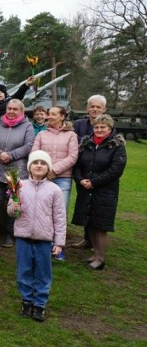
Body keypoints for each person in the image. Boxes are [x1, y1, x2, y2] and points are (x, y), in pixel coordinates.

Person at [8, 150, 66, 322]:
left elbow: (60, 217)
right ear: (29, 167)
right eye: (35, 163)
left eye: (42, 163)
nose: (39, 166)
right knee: (24, 271)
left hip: (44, 239)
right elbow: (10, 210)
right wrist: (14, 208)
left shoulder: (54, 190)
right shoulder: (19, 186)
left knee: (42, 273)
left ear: (47, 167)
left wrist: (59, 242)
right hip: (23, 237)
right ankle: (27, 301)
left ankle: (40, 304)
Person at [72, 114, 127, 271]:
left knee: (101, 225)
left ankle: (100, 258)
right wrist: (80, 179)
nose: (99, 129)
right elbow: (77, 165)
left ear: (110, 129)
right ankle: (94, 254)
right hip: (85, 189)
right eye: (96, 127)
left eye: (103, 127)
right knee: (90, 222)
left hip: (105, 191)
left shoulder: (116, 146)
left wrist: (94, 182)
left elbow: (116, 169)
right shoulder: (86, 143)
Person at [31, 106, 78, 261]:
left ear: (62, 116)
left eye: (53, 114)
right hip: (43, 178)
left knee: (60, 213)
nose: (49, 116)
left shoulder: (71, 135)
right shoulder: (42, 134)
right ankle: (43, 244)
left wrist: (54, 170)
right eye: (48, 114)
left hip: (62, 178)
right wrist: (44, 171)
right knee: (43, 212)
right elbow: (34, 153)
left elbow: (72, 156)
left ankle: (58, 246)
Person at [0, 99, 35, 248]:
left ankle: (10, 233)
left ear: (21, 111)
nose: (12, 111)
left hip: (16, 170)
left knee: (14, 202)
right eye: (9, 108)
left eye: (15, 109)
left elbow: (29, 145)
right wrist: (0, 153)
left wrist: (11, 155)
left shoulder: (27, 126)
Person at [71, 94, 107, 250]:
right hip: (81, 170)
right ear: (87, 108)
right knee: (85, 206)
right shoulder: (78, 124)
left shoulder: (107, 125)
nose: (95, 109)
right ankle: (87, 239)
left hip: (99, 172)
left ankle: (96, 243)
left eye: (98, 106)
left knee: (97, 208)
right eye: (92, 106)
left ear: (104, 109)